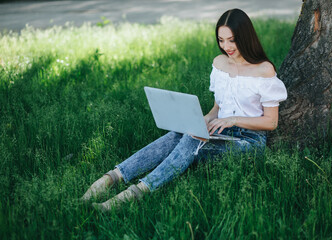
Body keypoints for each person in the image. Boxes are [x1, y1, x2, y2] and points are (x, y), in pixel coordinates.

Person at [81, 8, 287, 212]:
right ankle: (111, 178)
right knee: (181, 134)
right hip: (220, 131)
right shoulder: (220, 64)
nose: (226, 47)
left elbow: (271, 122)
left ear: (245, 37)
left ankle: (136, 193)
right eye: (221, 40)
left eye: (232, 40)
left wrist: (233, 120)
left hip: (248, 142)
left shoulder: (263, 70)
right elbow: (217, 108)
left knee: (191, 139)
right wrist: (202, 120)